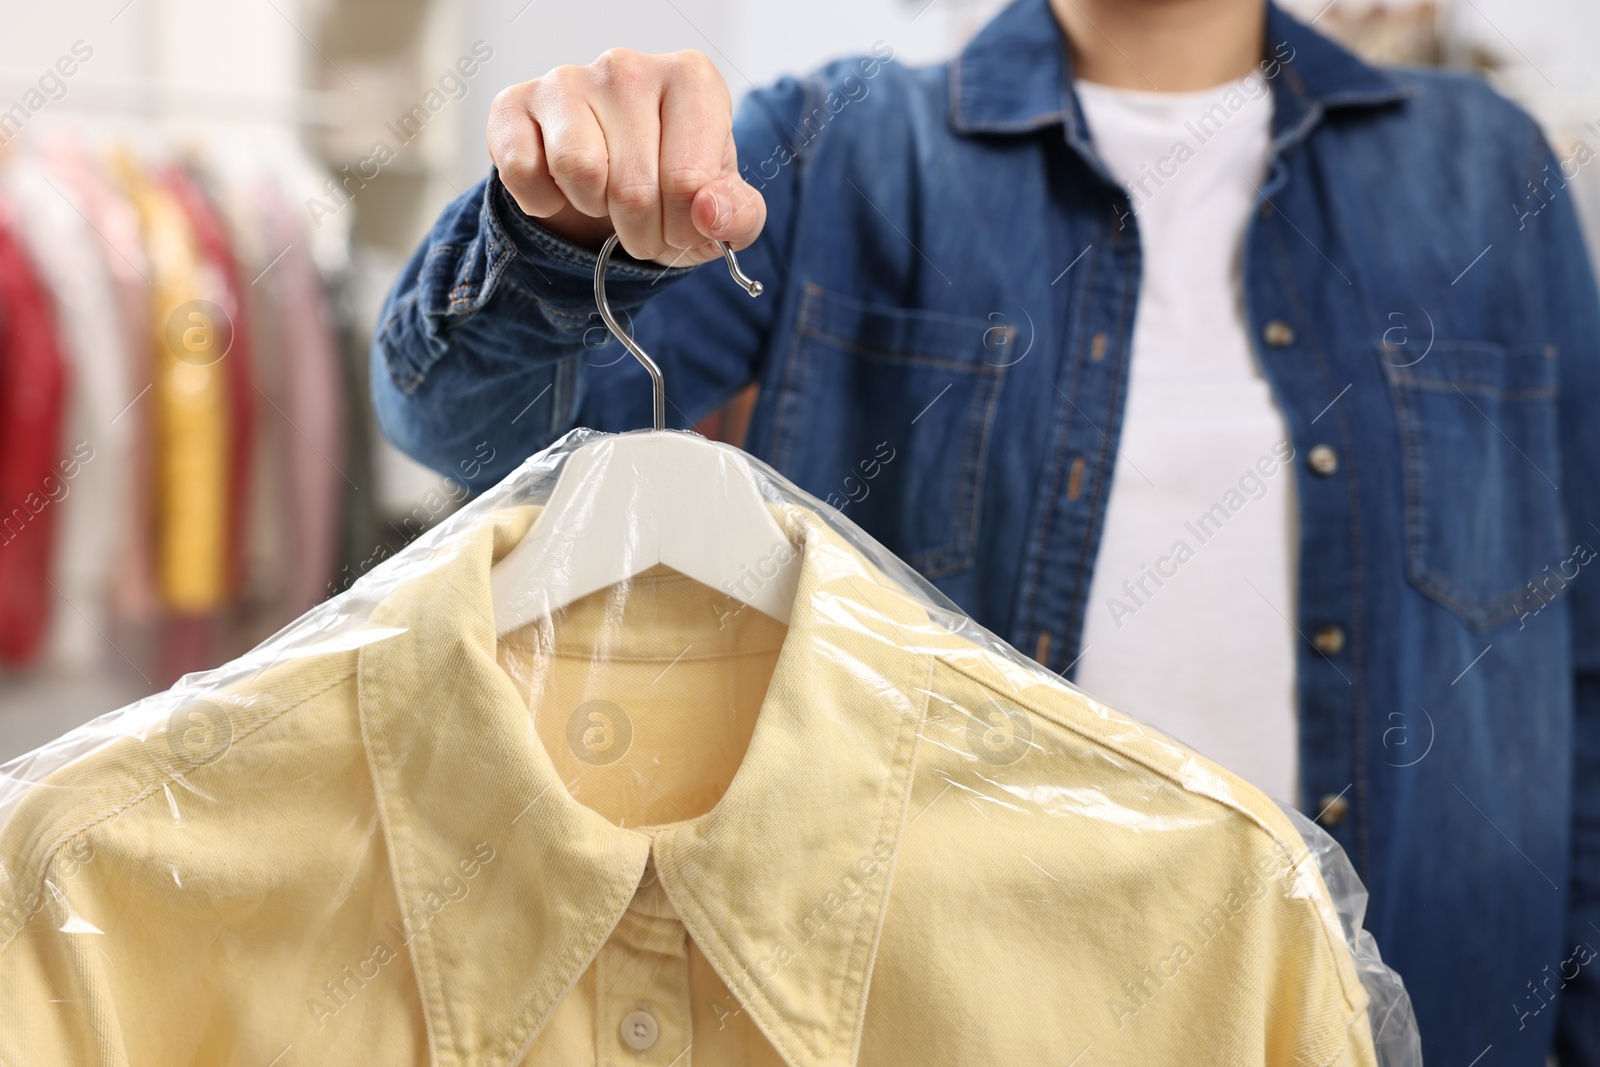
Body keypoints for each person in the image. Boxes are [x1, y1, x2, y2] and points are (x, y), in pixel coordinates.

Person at [370, 0, 1600, 1062]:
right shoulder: (840, 156)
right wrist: (552, 232)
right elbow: (469, 423)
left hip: (1446, 1011)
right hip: (947, 1019)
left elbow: (1583, 655)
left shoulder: (1485, 174)